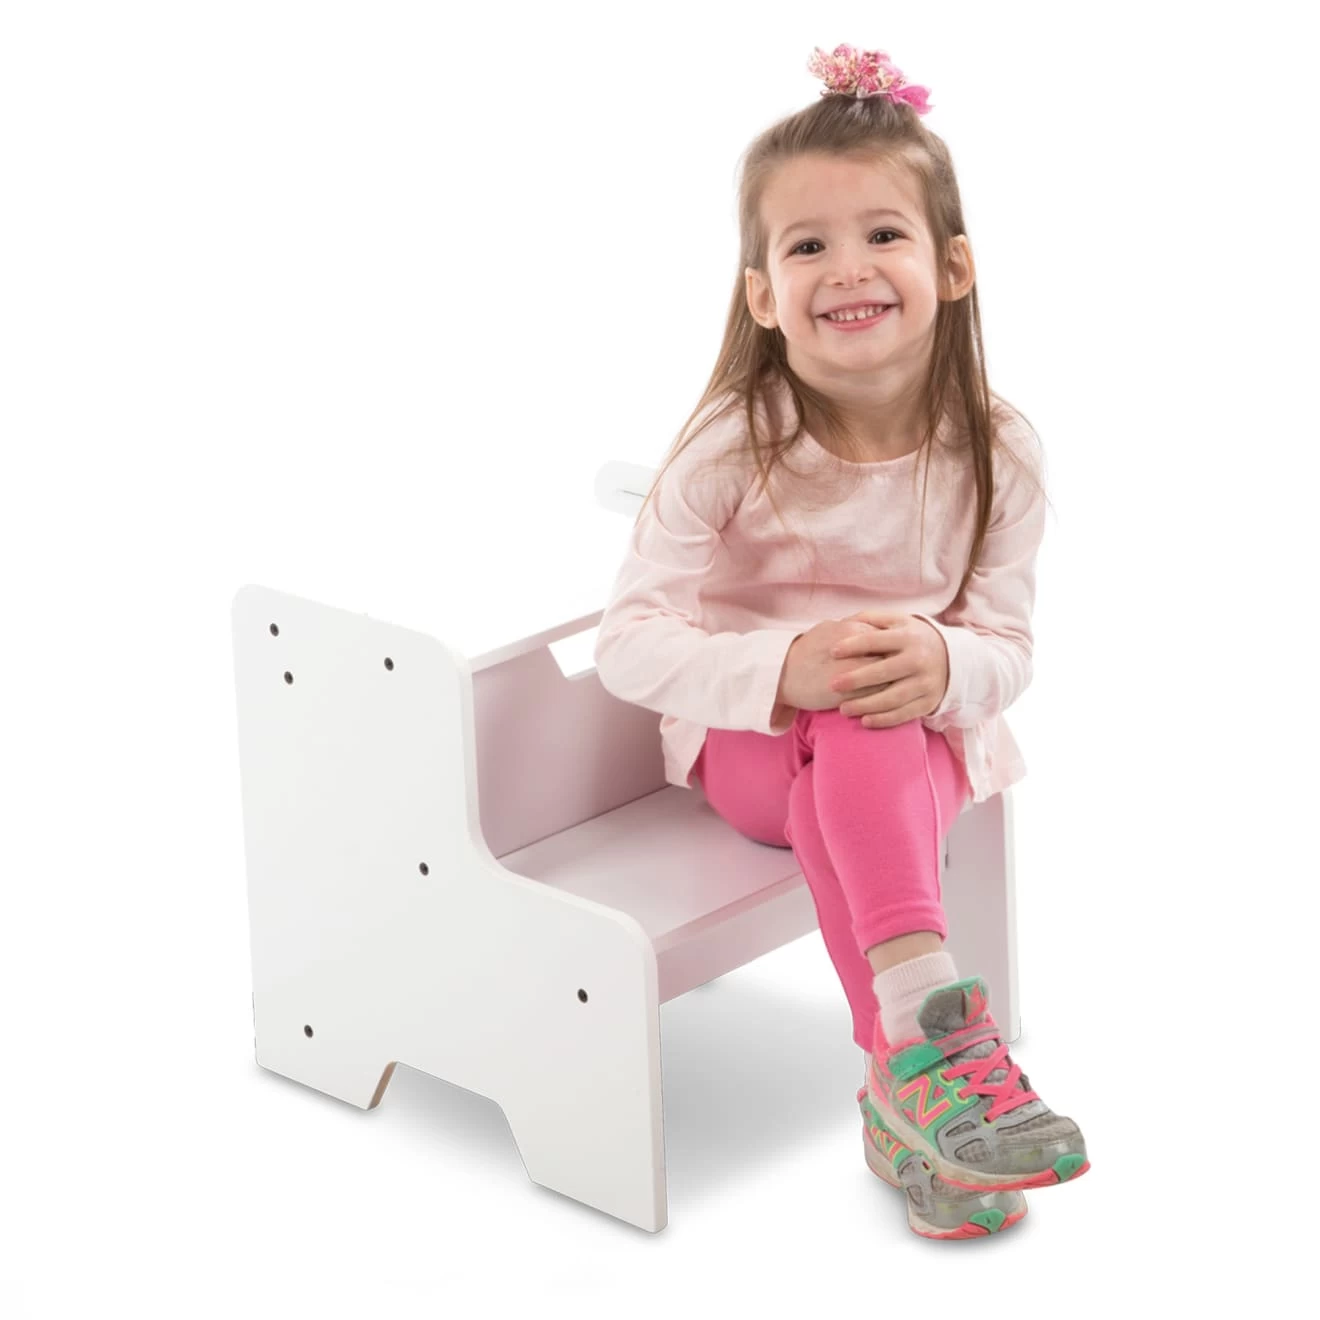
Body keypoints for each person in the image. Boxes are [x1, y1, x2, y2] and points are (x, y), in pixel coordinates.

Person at [592, 43, 1089, 1240]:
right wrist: (783, 670)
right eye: (807, 245)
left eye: (883, 233)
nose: (847, 267)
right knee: (849, 702)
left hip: (919, 753)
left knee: (872, 715)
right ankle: (934, 1043)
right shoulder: (734, 441)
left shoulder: (1001, 449)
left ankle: (903, 1084)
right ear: (764, 293)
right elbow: (629, 644)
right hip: (752, 756)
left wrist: (946, 664)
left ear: (952, 266)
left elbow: (1008, 646)